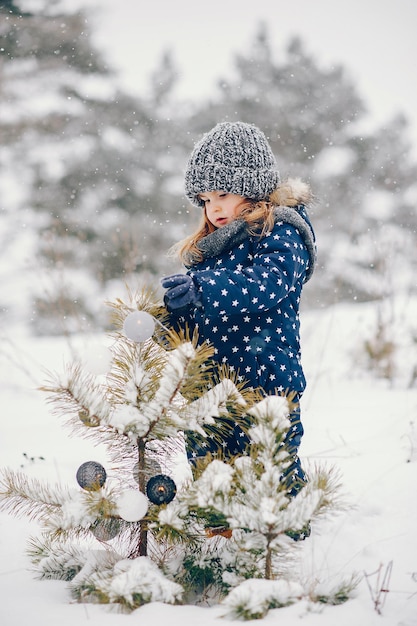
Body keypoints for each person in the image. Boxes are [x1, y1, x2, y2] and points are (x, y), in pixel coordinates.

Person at [161, 121, 316, 506]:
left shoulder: (281, 233)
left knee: (271, 472)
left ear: (252, 188)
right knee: (211, 472)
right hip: (210, 383)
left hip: (264, 379)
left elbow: (266, 284)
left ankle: (286, 542)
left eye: (223, 194)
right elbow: (205, 315)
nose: (213, 208)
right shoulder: (211, 247)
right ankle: (218, 544)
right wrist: (173, 323)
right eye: (204, 199)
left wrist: (204, 290)